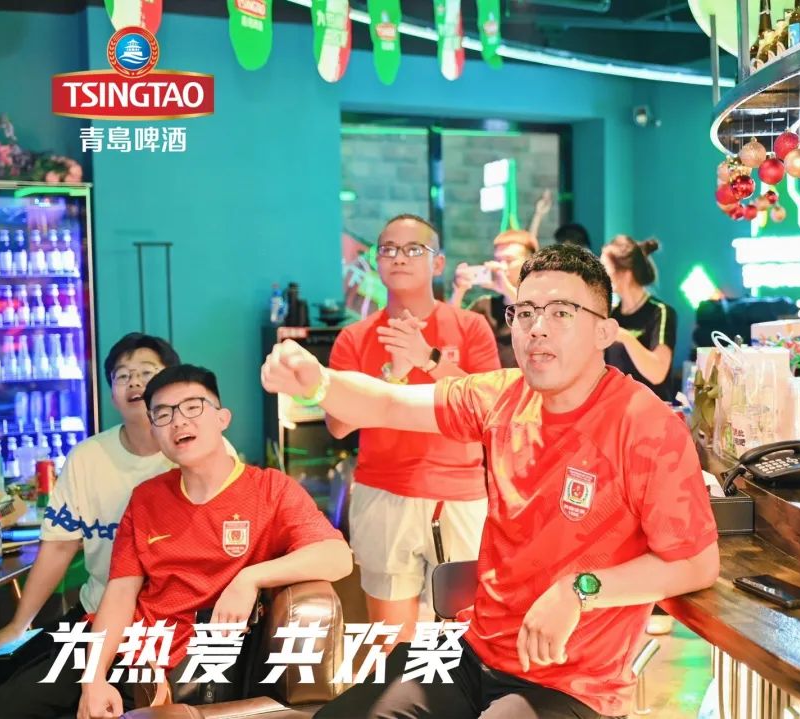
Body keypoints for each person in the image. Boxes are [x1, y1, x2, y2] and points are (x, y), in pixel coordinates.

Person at [262, 243, 720, 719]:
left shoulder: (644, 424)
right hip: (472, 652)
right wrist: (318, 382)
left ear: (604, 331)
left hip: (572, 683)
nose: (537, 327)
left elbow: (696, 563)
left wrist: (578, 590)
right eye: (525, 312)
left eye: (561, 312)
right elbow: (388, 404)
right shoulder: (502, 396)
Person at [0, 364, 354, 719]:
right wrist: (93, 679)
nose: (178, 421)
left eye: (192, 407)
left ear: (222, 419)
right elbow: (120, 594)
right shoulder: (146, 498)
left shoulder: (270, 490)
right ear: (154, 432)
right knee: (11, 703)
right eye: (163, 414)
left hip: (182, 669)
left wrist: (250, 577)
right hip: (123, 648)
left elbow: (337, 556)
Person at [328, 214, 500, 648]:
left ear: (437, 263)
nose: (398, 258)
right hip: (384, 492)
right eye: (388, 249)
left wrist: (428, 359)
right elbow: (338, 424)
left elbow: (489, 408)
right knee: (391, 643)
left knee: (465, 639)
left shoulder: (470, 327)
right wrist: (393, 374)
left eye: (412, 250)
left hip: (459, 493)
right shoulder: (354, 338)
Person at [0, 333, 182, 673]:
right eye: (122, 375)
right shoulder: (87, 458)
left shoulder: (197, 451)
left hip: (170, 626)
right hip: (95, 615)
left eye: (147, 372)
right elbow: (59, 546)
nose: (134, 382)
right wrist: (17, 626)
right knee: (10, 676)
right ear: (111, 393)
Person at [601, 235, 678, 403]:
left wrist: (625, 337)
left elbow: (657, 373)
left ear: (626, 274)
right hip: (618, 408)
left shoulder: (660, 312)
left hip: (653, 409)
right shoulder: (611, 314)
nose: (602, 276)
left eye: (606, 269)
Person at [450, 229, 539, 368]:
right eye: (498, 260)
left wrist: (507, 289)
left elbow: (534, 323)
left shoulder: (544, 305)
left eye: (509, 260)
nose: (501, 267)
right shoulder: (485, 306)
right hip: (489, 379)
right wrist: (458, 291)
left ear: (530, 264)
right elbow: (450, 331)